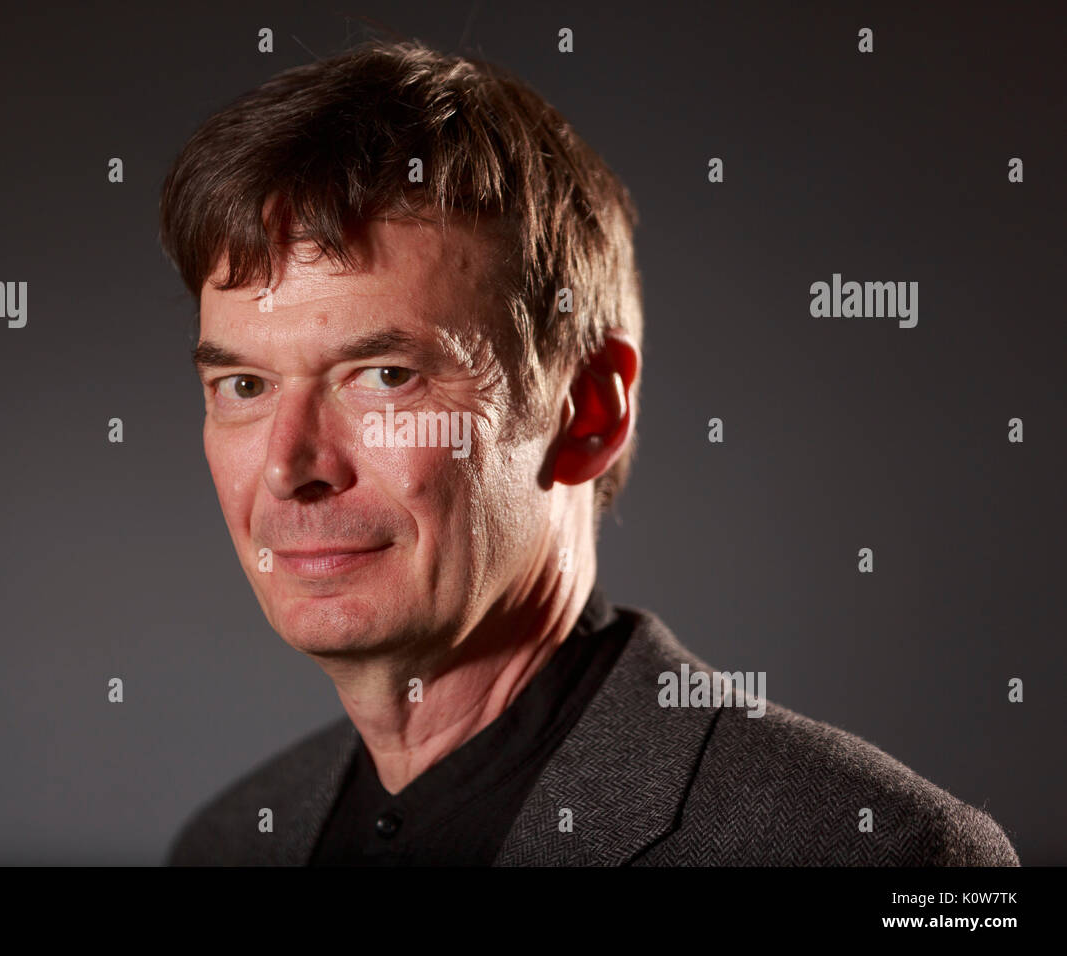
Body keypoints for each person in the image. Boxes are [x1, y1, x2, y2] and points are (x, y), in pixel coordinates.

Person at [156, 38, 1018, 866]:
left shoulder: (877, 854)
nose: (288, 467)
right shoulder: (227, 844)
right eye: (244, 386)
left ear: (590, 413)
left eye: (384, 375)